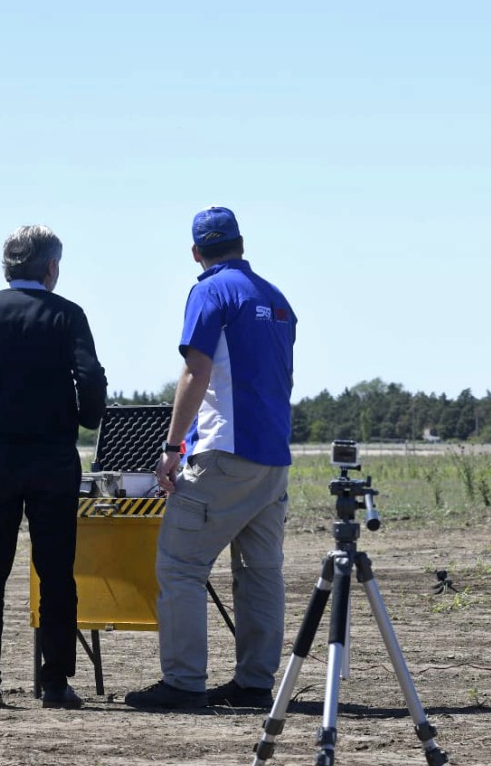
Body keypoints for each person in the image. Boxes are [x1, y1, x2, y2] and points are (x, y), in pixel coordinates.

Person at [125, 206, 296, 711]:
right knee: (260, 571)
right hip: (273, 457)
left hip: (223, 451)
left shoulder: (208, 290)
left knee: (180, 564)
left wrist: (173, 448)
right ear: (241, 245)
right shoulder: (276, 297)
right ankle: (255, 683)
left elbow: (195, 371)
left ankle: (183, 682)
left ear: (196, 253)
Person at [0, 224, 107, 710]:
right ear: (51, 268)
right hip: (53, 456)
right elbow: (90, 376)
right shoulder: (67, 315)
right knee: (56, 570)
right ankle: (54, 683)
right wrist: (86, 418)